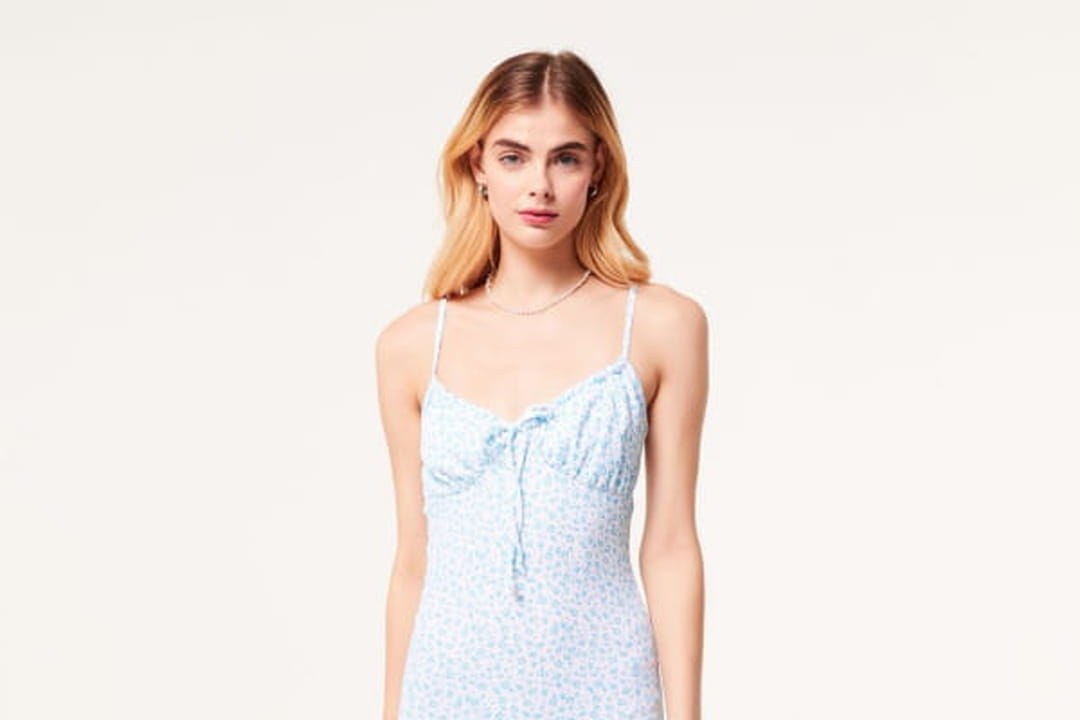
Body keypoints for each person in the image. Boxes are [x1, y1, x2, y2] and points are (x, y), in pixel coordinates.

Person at [376, 50, 706, 720]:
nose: (540, 186)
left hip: (605, 689)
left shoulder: (662, 327)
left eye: (565, 158)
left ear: (598, 168)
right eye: (514, 157)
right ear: (478, 166)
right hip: (446, 691)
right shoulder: (410, 346)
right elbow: (413, 559)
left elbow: (671, 545)